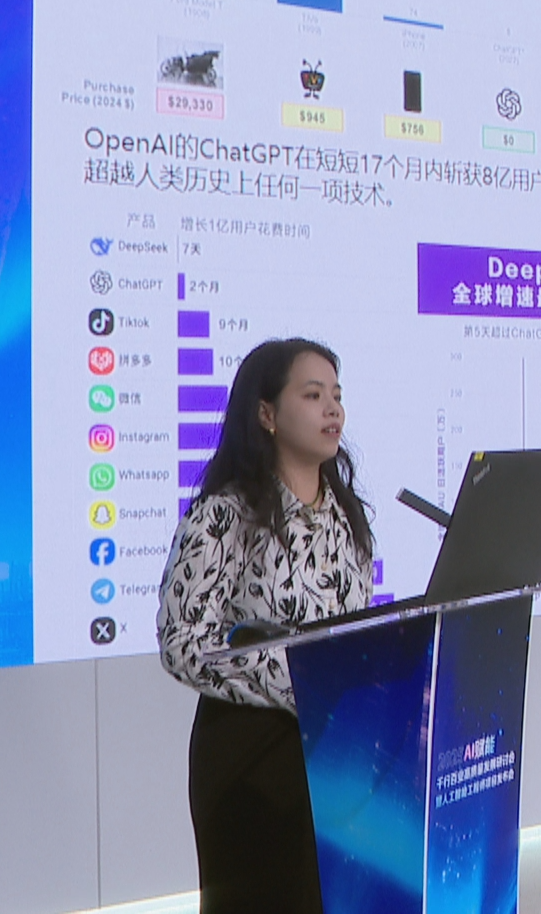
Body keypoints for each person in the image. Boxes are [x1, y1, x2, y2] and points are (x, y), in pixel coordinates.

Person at [157, 338, 376, 914]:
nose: (333, 409)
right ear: (266, 413)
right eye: (313, 395)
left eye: (337, 395)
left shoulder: (347, 515)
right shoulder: (224, 515)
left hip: (337, 750)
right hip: (251, 755)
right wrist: (301, 679)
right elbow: (182, 642)